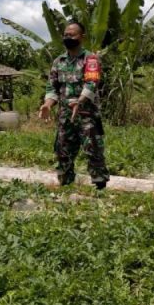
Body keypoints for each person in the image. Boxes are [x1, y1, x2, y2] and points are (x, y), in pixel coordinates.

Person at [39, 20, 110, 189]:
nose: (67, 37)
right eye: (65, 35)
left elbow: (92, 83)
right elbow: (52, 87)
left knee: (93, 150)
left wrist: (80, 101)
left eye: (72, 35)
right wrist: (48, 104)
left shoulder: (90, 59)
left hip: (87, 116)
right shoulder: (59, 62)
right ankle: (65, 184)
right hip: (65, 117)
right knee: (62, 150)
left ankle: (100, 187)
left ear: (82, 37)